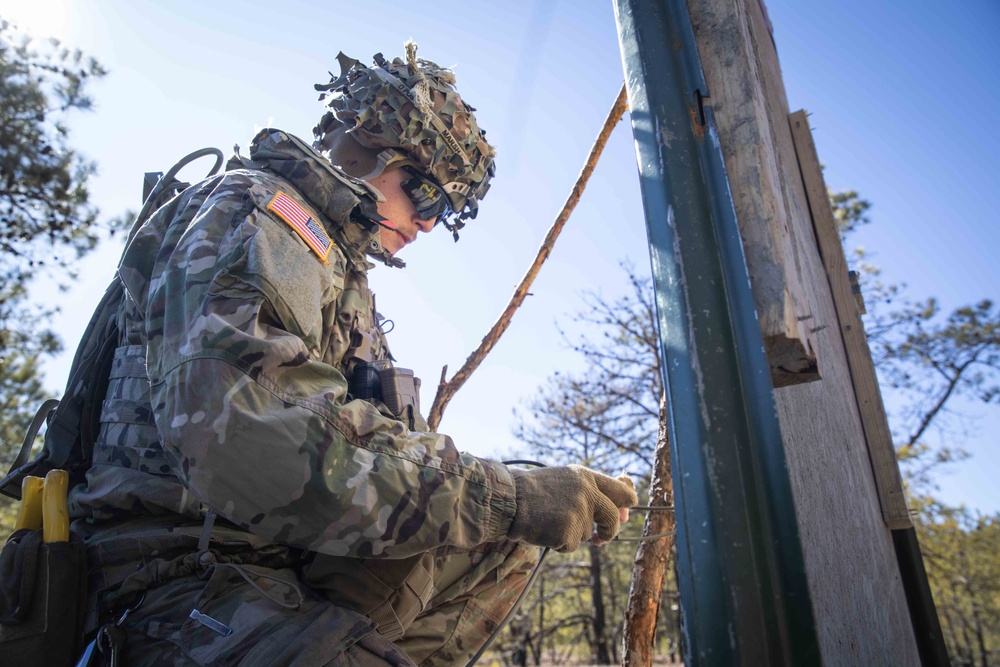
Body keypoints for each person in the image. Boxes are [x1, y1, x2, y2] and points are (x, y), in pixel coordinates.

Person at [67, 43, 637, 666]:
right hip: (171, 580)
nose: (426, 225)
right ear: (372, 148)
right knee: (503, 509)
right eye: (427, 199)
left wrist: (515, 501)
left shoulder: (341, 275)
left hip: (275, 568)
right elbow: (253, 440)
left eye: (443, 213)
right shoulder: (262, 214)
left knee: (503, 541)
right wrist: (504, 496)